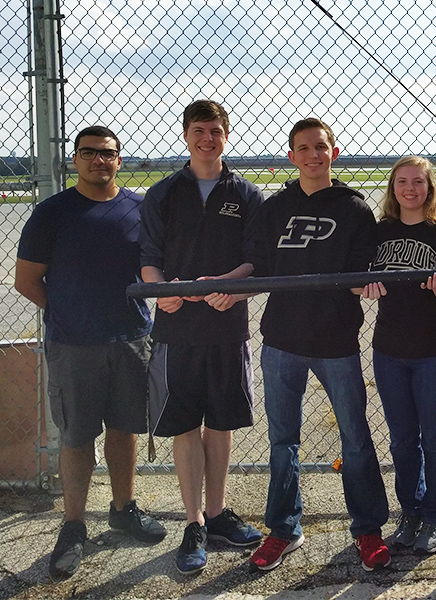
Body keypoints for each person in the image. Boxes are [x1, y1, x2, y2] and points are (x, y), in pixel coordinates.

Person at [15, 126, 165, 581]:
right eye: (88, 153)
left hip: (130, 339)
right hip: (73, 343)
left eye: (107, 153)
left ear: (119, 159)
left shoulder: (139, 209)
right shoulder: (52, 213)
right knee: (77, 435)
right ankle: (74, 525)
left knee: (125, 428)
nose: (99, 160)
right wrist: (67, 310)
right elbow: (27, 280)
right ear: (75, 160)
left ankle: (123, 508)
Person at [241, 118, 390, 572]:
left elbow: (360, 272)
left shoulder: (354, 209)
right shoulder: (274, 208)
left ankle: (367, 527)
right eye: (303, 148)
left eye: (321, 147)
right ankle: (284, 529)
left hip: (335, 341)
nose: (313, 155)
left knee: (355, 437)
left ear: (334, 152)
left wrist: (366, 286)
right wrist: (226, 285)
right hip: (281, 340)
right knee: (283, 440)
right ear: (291, 156)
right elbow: (257, 265)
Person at [139, 100, 264, 574]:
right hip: (177, 329)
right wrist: (161, 291)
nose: (207, 139)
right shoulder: (164, 193)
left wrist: (228, 284)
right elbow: (149, 257)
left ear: (226, 135)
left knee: (221, 422)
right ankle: (193, 522)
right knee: (185, 424)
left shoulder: (246, 193)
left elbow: (255, 259)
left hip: (226, 326)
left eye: (215, 130)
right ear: (186, 135)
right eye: (199, 130)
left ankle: (216, 514)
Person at [359, 156, 436, 555]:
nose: (410, 189)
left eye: (418, 182)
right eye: (402, 182)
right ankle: (410, 510)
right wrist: (365, 286)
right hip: (389, 349)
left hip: (435, 350)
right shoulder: (380, 231)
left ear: (429, 187)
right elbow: (359, 281)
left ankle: (435, 514)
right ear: (392, 188)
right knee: (403, 440)